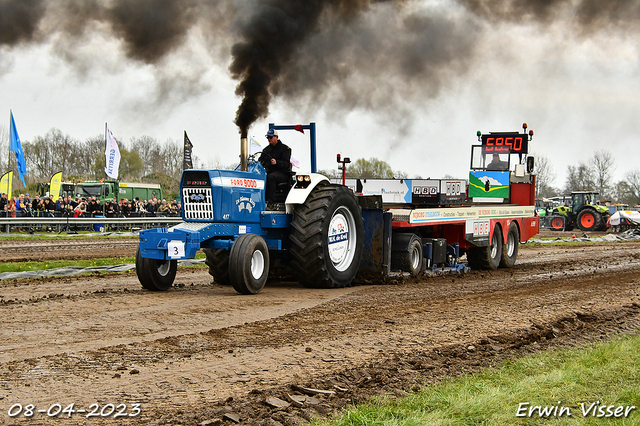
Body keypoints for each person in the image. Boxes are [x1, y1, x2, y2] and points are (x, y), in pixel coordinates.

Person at [259, 128, 292, 203]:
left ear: (276, 137)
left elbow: (286, 164)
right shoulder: (266, 150)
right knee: (262, 176)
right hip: (269, 172)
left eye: (270, 137)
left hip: (283, 174)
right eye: (268, 137)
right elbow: (260, 161)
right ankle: (261, 200)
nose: (269, 139)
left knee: (271, 177)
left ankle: (271, 202)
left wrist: (277, 162)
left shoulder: (285, 149)